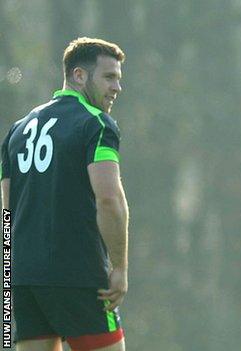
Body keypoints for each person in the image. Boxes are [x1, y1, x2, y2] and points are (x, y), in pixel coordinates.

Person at [1, 37, 129, 351]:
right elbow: (109, 200)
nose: (117, 88)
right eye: (109, 77)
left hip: (24, 276)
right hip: (78, 275)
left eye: (119, 79)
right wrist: (120, 268)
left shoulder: (17, 130)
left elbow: (7, 212)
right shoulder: (96, 125)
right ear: (79, 76)